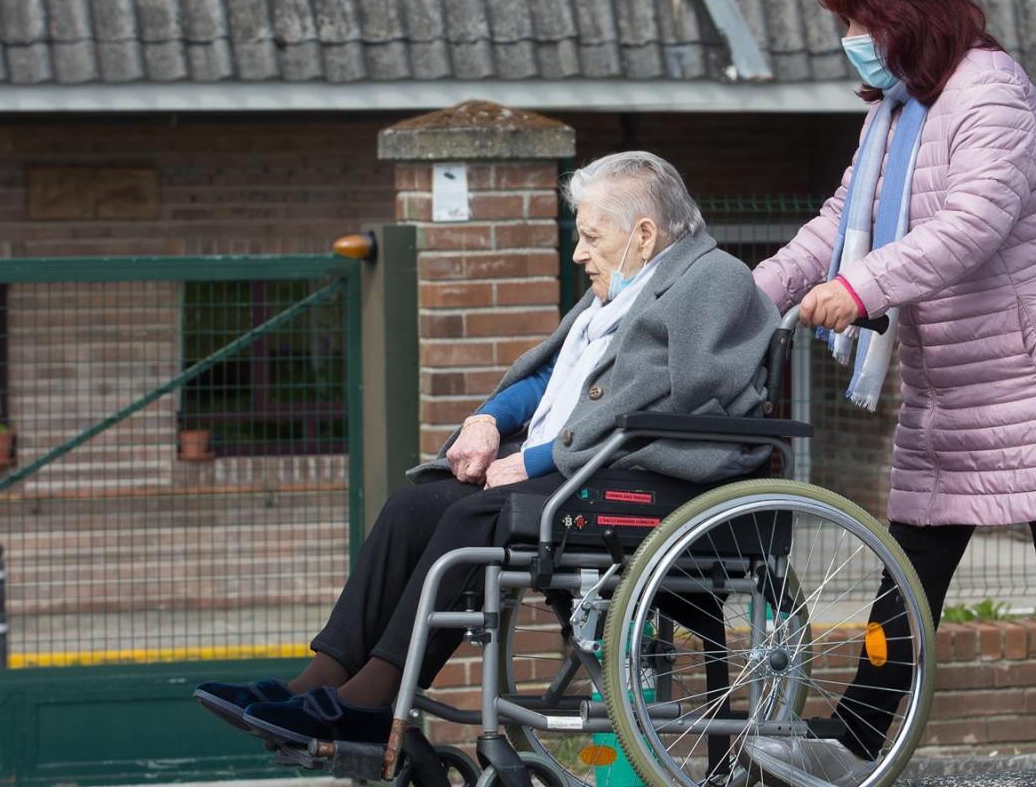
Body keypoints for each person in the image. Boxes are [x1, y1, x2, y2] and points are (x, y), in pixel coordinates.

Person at [749, 0, 1036, 787]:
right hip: (956, 381)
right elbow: (839, 222)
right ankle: (861, 738)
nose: (850, 43)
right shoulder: (898, 113)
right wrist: (742, 298)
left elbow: (970, 228)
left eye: (859, 22)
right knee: (912, 560)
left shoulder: (991, 96)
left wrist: (861, 287)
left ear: (905, 15)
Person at [194, 152, 777, 745]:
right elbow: (551, 377)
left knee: (474, 516)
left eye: (590, 236)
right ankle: (321, 681)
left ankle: (373, 703)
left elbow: (682, 406)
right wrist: (489, 421)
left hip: (654, 479)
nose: (578, 253)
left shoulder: (714, 279)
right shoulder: (621, 290)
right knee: (410, 508)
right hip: (585, 469)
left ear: (644, 234)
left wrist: (540, 459)